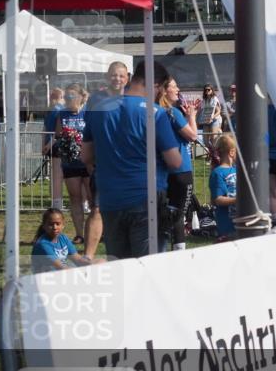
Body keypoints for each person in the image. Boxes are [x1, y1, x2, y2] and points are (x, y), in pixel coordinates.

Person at [81, 60, 182, 259]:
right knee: (148, 266)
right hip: (146, 198)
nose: (159, 95)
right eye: (160, 89)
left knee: (119, 265)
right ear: (154, 85)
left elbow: (85, 155)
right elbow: (175, 161)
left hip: (110, 199)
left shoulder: (99, 109)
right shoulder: (155, 113)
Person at [83, 61, 129, 260]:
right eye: (113, 75)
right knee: (98, 208)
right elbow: (89, 130)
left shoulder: (133, 98)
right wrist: (89, 159)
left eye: (121, 75)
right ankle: (88, 256)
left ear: (127, 78)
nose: (117, 79)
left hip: (128, 163)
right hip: (104, 163)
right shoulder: (96, 99)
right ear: (107, 77)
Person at [158, 76, 198, 250]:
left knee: (166, 212)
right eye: (174, 87)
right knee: (178, 213)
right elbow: (192, 135)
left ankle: (163, 246)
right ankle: (179, 250)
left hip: (162, 170)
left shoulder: (156, 111)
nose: (178, 90)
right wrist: (192, 116)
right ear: (165, 91)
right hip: (181, 170)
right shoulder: (173, 112)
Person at [55, 83, 91, 244]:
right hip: (70, 163)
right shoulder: (62, 114)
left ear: (81, 96)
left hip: (88, 162)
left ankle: (96, 232)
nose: (68, 99)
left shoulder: (88, 113)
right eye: (66, 96)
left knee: (93, 198)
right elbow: (58, 135)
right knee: (75, 198)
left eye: (72, 96)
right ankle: (80, 234)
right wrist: (66, 139)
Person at [30, 208, 97, 274]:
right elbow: (61, 267)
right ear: (44, 225)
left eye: (58, 224)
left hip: (59, 275)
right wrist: (82, 273)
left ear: (63, 225)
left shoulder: (63, 238)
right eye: (51, 224)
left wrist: (93, 264)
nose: (55, 227)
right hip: (44, 280)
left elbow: (78, 259)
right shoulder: (43, 244)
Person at [210, 133, 238, 242]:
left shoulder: (236, 169)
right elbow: (217, 199)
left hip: (239, 220)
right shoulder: (218, 173)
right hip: (227, 223)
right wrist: (238, 200)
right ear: (231, 152)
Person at [43, 88, 65, 210]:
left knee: (55, 175)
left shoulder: (49, 111)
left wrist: (44, 145)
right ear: (60, 97)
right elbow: (58, 131)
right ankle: (57, 202)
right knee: (58, 175)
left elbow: (45, 128)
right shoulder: (60, 111)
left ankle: (56, 201)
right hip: (56, 144)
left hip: (50, 144)